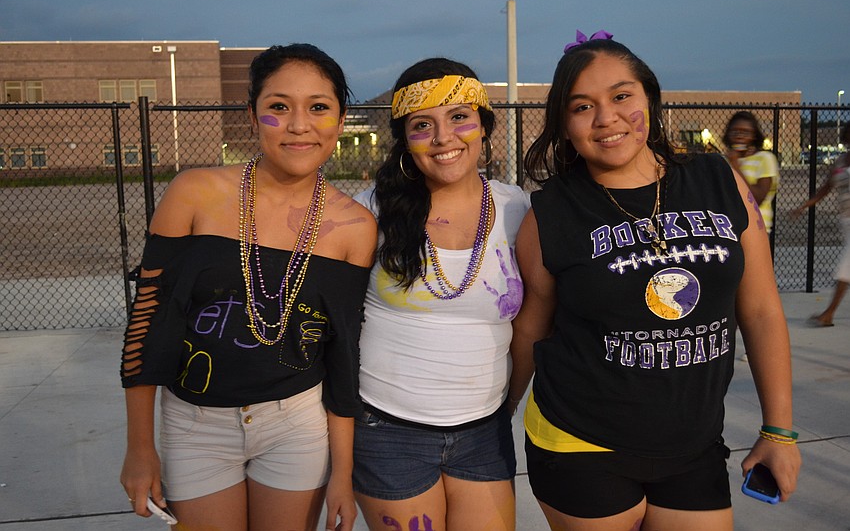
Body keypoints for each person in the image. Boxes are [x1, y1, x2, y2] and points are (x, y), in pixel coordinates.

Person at [509, 32, 801, 531]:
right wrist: (493, 424)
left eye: (622, 96)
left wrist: (779, 430)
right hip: (580, 441)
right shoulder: (550, 213)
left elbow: (760, 310)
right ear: (564, 123)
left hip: (694, 444)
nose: (607, 118)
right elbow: (531, 332)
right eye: (583, 106)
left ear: (649, 97)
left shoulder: (717, 178)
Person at [119, 43, 377, 531]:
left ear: (340, 122)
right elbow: (150, 323)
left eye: (318, 108)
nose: (299, 124)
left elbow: (342, 355)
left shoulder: (355, 226)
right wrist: (139, 447)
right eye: (278, 107)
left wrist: (342, 473)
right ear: (253, 116)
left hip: (295, 425)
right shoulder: (194, 193)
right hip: (196, 425)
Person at [352, 58, 530, 531]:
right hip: (388, 430)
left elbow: (539, 319)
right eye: (421, 124)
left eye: (459, 117)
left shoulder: (519, 210)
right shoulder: (369, 212)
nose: (443, 137)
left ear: (484, 125)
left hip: (485, 431)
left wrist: (508, 403)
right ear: (405, 139)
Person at [791, 123, 850, 327]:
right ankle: (829, 314)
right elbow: (826, 188)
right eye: (847, 138)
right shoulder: (841, 161)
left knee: (845, 267)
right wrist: (804, 206)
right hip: (846, 220)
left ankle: (829, 314)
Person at [722, 110, 779, 234]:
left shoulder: (764, 159)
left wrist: (736, 166)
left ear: (754, 136)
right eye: (735, 131)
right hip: (729, 229)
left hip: (755, 228)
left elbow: (757, 198)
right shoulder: (725, 161)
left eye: (745, 132)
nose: (739, 135)